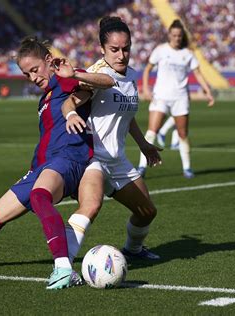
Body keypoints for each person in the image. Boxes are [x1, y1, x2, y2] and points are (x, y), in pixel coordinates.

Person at [0, 36, 114, 290]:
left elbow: (106, 81)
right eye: (27, 74)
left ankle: (63, 268)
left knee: (39, 196)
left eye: (35, 70)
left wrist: (74, 90)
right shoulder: (45, 97)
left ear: (49, 60)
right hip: (41, 167)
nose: (33, 78)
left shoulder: (65, 77)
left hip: (70, 158)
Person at [61, 16, 162, 264]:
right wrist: (71, 114)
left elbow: (127, 116)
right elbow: (69, 102)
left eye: (125, 49)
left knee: (147, 211)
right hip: (94, 159)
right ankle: (63, 262)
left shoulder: (130, 77)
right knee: (91, 207)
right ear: (103, 49)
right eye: (114, 50)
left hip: (119, 161)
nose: (121, 55)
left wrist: (143, 144)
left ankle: (133, 250)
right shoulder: (96, 76)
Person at [138, 20, 215, 179]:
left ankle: (187, 168)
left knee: (182, 134)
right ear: (169, 35)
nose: (177, 38)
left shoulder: (188, 54)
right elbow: (147, 70)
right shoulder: (160, 50)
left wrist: (207, 91)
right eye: (174, 35)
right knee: (151, 132)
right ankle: (141, 167)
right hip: (161, 97)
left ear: (182, 36)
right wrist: (146, 88)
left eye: (179, 35)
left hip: (180, 98)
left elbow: (198, 74)